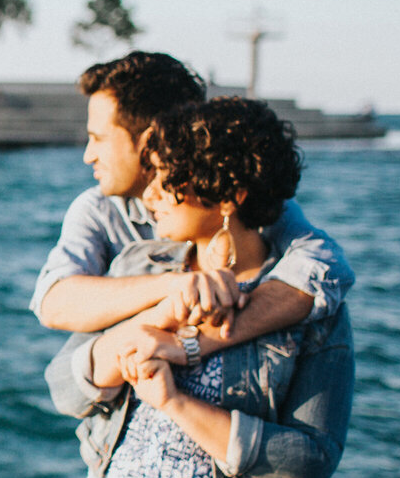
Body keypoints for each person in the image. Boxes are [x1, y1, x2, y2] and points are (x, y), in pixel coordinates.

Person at [16, 97, 352, 478]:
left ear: (225, 196)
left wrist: (175, 403)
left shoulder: (309, 306)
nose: (150, 196)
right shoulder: (139, 265)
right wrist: (123, 345)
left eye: (169, 180)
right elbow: (63, 385)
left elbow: (310, 462)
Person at [31, 51, 353, 364]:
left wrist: (197, 342)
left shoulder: (240, 196)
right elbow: (54, 303)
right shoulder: (99, 210)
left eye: (98, 139)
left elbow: (324, 267)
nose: (88, 155)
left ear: (148, 140)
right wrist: (176, 286)